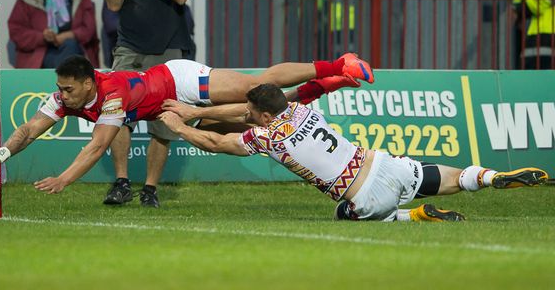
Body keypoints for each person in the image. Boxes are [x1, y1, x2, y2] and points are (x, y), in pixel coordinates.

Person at [0, 53, 375, 199]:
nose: (62, 95)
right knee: (244, 118)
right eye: (60, 89)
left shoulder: (110, 96)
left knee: (257, 88)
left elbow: (95, 147)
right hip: (168, 110)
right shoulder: (64, 97)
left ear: (88, 83)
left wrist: (64, 180)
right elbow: (27, 131)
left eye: (68, 89)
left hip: (178, 81)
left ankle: (338, 65)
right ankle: (323, 87)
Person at [156, 83, 549, 222]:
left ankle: (413, 217)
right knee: (450, 178)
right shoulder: (300, 108)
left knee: (346, 214)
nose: (246, 118)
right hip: (382, 163)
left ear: (261, 116)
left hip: (363, 196)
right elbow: (243, 112)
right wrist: (195, 110)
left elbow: (217, 142)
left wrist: (178, 126)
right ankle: (491, 177)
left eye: (251, 115)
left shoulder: (265, 138)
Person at [102, 0, 195, 207]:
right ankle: (121, 182)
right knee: (117, 115)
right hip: (129, 47)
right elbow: (113, 3)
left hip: (169, 49)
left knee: (164, 121)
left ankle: (150, 189)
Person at [523, 0, 555, 69]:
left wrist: (523, 7)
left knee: (534, 81)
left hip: (544, 33)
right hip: (545, 34)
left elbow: (539, 3)